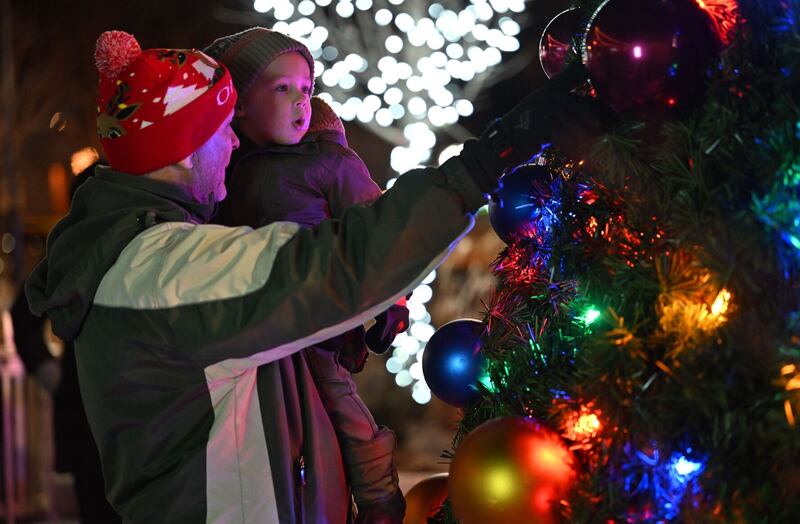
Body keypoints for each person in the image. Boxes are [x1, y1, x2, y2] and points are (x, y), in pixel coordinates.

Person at [25, 29, 601, 524]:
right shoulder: (163, 270)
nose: (233, 140)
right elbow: (339, 266)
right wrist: (489, 160)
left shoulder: (155, 250)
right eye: (222, 127)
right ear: (182, 148)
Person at [204, 28, 408, 522]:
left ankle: (379, 493)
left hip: (313, 319)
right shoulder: (224, 165)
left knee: (334, 397)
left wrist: (392, 304)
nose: (300, 100)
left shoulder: (328, 161)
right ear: (241, 103)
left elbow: (378, 233)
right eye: (281, 89)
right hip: (247, 324)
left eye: (305, 88)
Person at [10, 165, 121, 524]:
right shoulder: (76, 252)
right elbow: (25, 309)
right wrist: (47, 369)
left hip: (113, 413)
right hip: (85, 414)